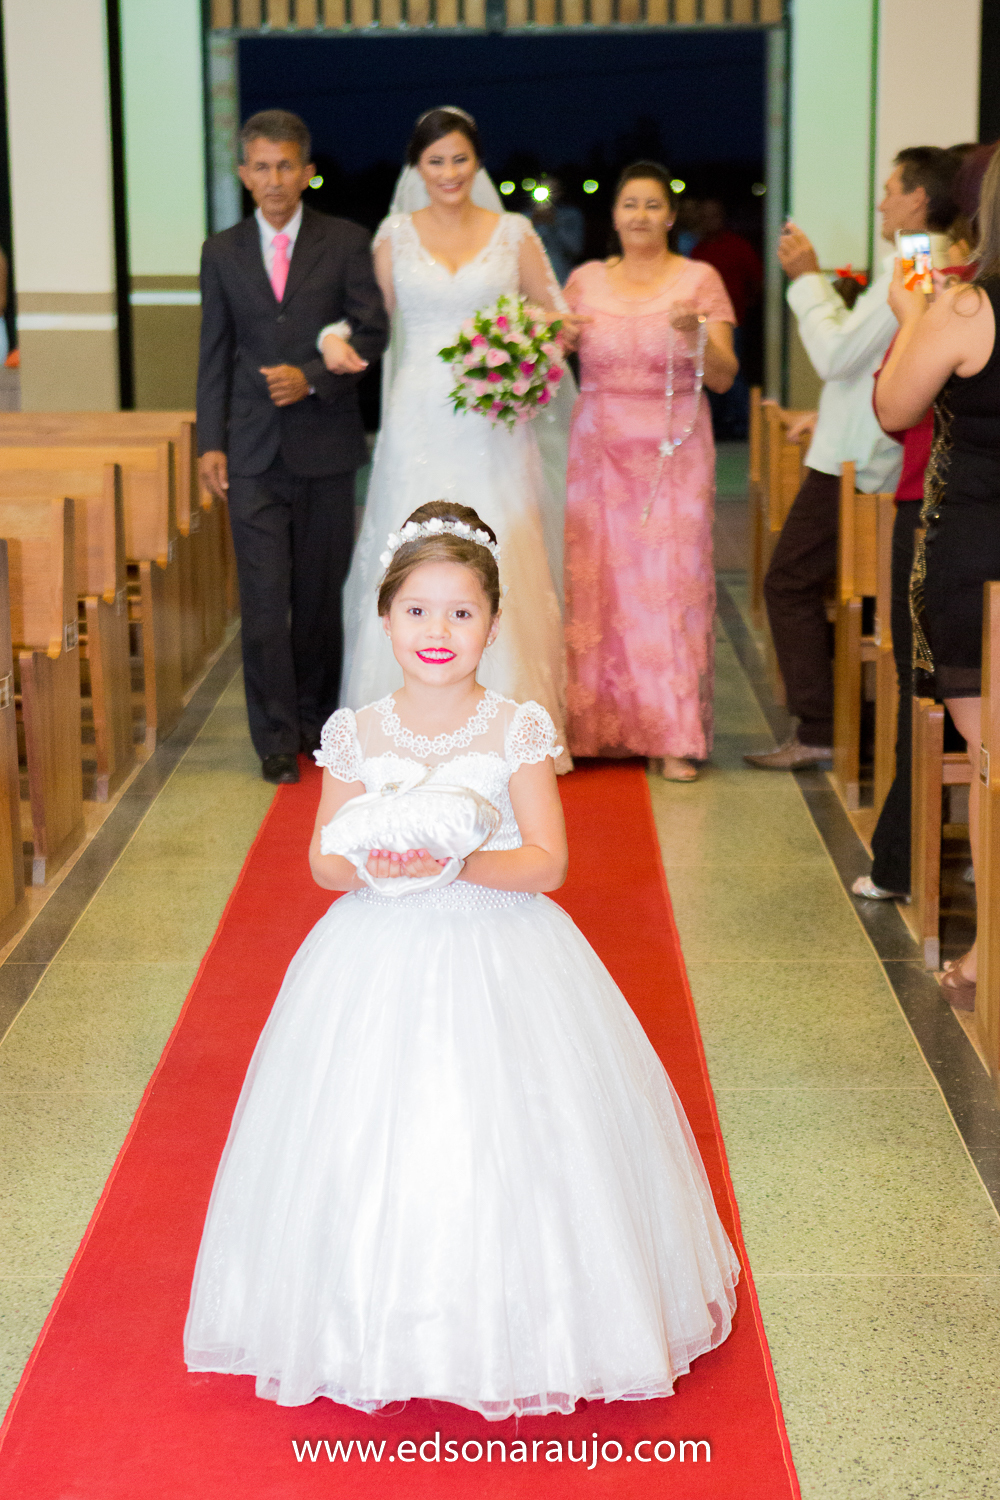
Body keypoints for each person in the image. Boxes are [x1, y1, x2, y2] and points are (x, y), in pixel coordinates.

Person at [184, 501, 739, 1414]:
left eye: (460, 612)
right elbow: (324, 860)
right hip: (373, 956)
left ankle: (537, 1318)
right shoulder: (357, 733)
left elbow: (549, 862)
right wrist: (373, 860)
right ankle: (362, 1319)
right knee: (367, 1129)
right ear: (384, 616)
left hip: (500, 945)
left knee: (511, 1129)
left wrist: (455, 862)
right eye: (416, 611)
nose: (437, 632)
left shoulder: (513, 726)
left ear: (491, 620)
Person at [333, 107, 579, 772]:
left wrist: (525, 354)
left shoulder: (515, 233)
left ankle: (508, 730)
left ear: (478, 163)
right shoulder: (393, 235)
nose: (448, 173)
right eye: (435, 161)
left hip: (492, 422)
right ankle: (396, 726)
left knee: (502, 546)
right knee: (409, 549)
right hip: (417, 414)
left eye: (459, 159)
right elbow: (370, 324)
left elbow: (558, 320)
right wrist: (334, 337)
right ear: (417, 167)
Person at [744, 147, 961, 771]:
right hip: (859, 448)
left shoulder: (917, 260)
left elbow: (840, 357)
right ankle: (827, 724)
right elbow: (876, 353)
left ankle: (820, 729)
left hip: (863, 462)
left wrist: (807, 279)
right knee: (808, 584)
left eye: (891, 188)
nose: (880, 201)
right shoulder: (921, 262)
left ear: (919, 198)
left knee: (789, 581)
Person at [197, 109, 389, 785]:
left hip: (325, 448)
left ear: (308, 172)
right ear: (244, 174)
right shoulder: (220, 251)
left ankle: (315, 721)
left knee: (315, 597)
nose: (274, 179)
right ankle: (274, 736)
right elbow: (213, 352)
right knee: (262, 597)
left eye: (286, 166)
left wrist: (311, 378)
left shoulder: (344, 242)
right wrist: (209, 443)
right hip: (250, 452)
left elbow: (371, 336)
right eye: (261, 166)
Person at [562, 162, 737, 781]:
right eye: (628, 204)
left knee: (671, 581)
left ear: (670, 215)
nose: (639, 215)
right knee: (600, 581)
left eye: (651, 205)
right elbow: (549, 357)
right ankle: (594, 726)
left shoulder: (700, 279)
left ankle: (672, 733)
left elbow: (723, 376)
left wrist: (695, 338)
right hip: (598, 448)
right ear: (613, 215)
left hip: (675, 448)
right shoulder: (582, 280)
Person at [875, 147, 1000, 1010]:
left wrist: (911, 314)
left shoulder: (964, 307)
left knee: (994, 764)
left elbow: (893, 408)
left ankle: (991, 955)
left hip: (975, 557)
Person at [690, 198, 763, 439]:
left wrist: (746, 304)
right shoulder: (697, 250)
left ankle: (745, 423)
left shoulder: (737, 246)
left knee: (733, 372)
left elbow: (757, 280)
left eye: (713, 215)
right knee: (705, 373)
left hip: (733, 321)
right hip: (699, 324)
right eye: (704, 216)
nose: (708, 221)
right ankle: (719, 423)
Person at [529, 175, 585, 284]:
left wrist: (554, 224)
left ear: (559, 192)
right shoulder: (523, 218)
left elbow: (575, 249)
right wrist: (531, 224)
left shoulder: (571, 215)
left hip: (561, 276)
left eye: (552, 189)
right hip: (531, 277)